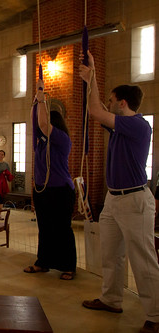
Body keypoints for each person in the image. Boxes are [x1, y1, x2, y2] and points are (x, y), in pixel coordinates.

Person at [80, 51, 159, 333]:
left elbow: (95, 110)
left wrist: (93, 77)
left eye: (113, 100)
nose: (109, 104)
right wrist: (92, 83)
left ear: (123, 103)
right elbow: (98, 106)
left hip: (135, 198)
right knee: (111, 254)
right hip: (114, 199)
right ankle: (112, 299)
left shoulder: (138, 125)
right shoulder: (119, 129)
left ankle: (156, 315)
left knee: (142, 258)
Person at [23, 78, 77, 281]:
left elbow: (43, 123)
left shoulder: (62, 139)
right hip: (42, 190)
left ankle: (68, 266)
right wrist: (35, 103)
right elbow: (36, 122)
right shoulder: (42, 143)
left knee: (62, 229)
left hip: (60, 190)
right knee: (44, 227)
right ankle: (43, 262)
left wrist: (42, 97)